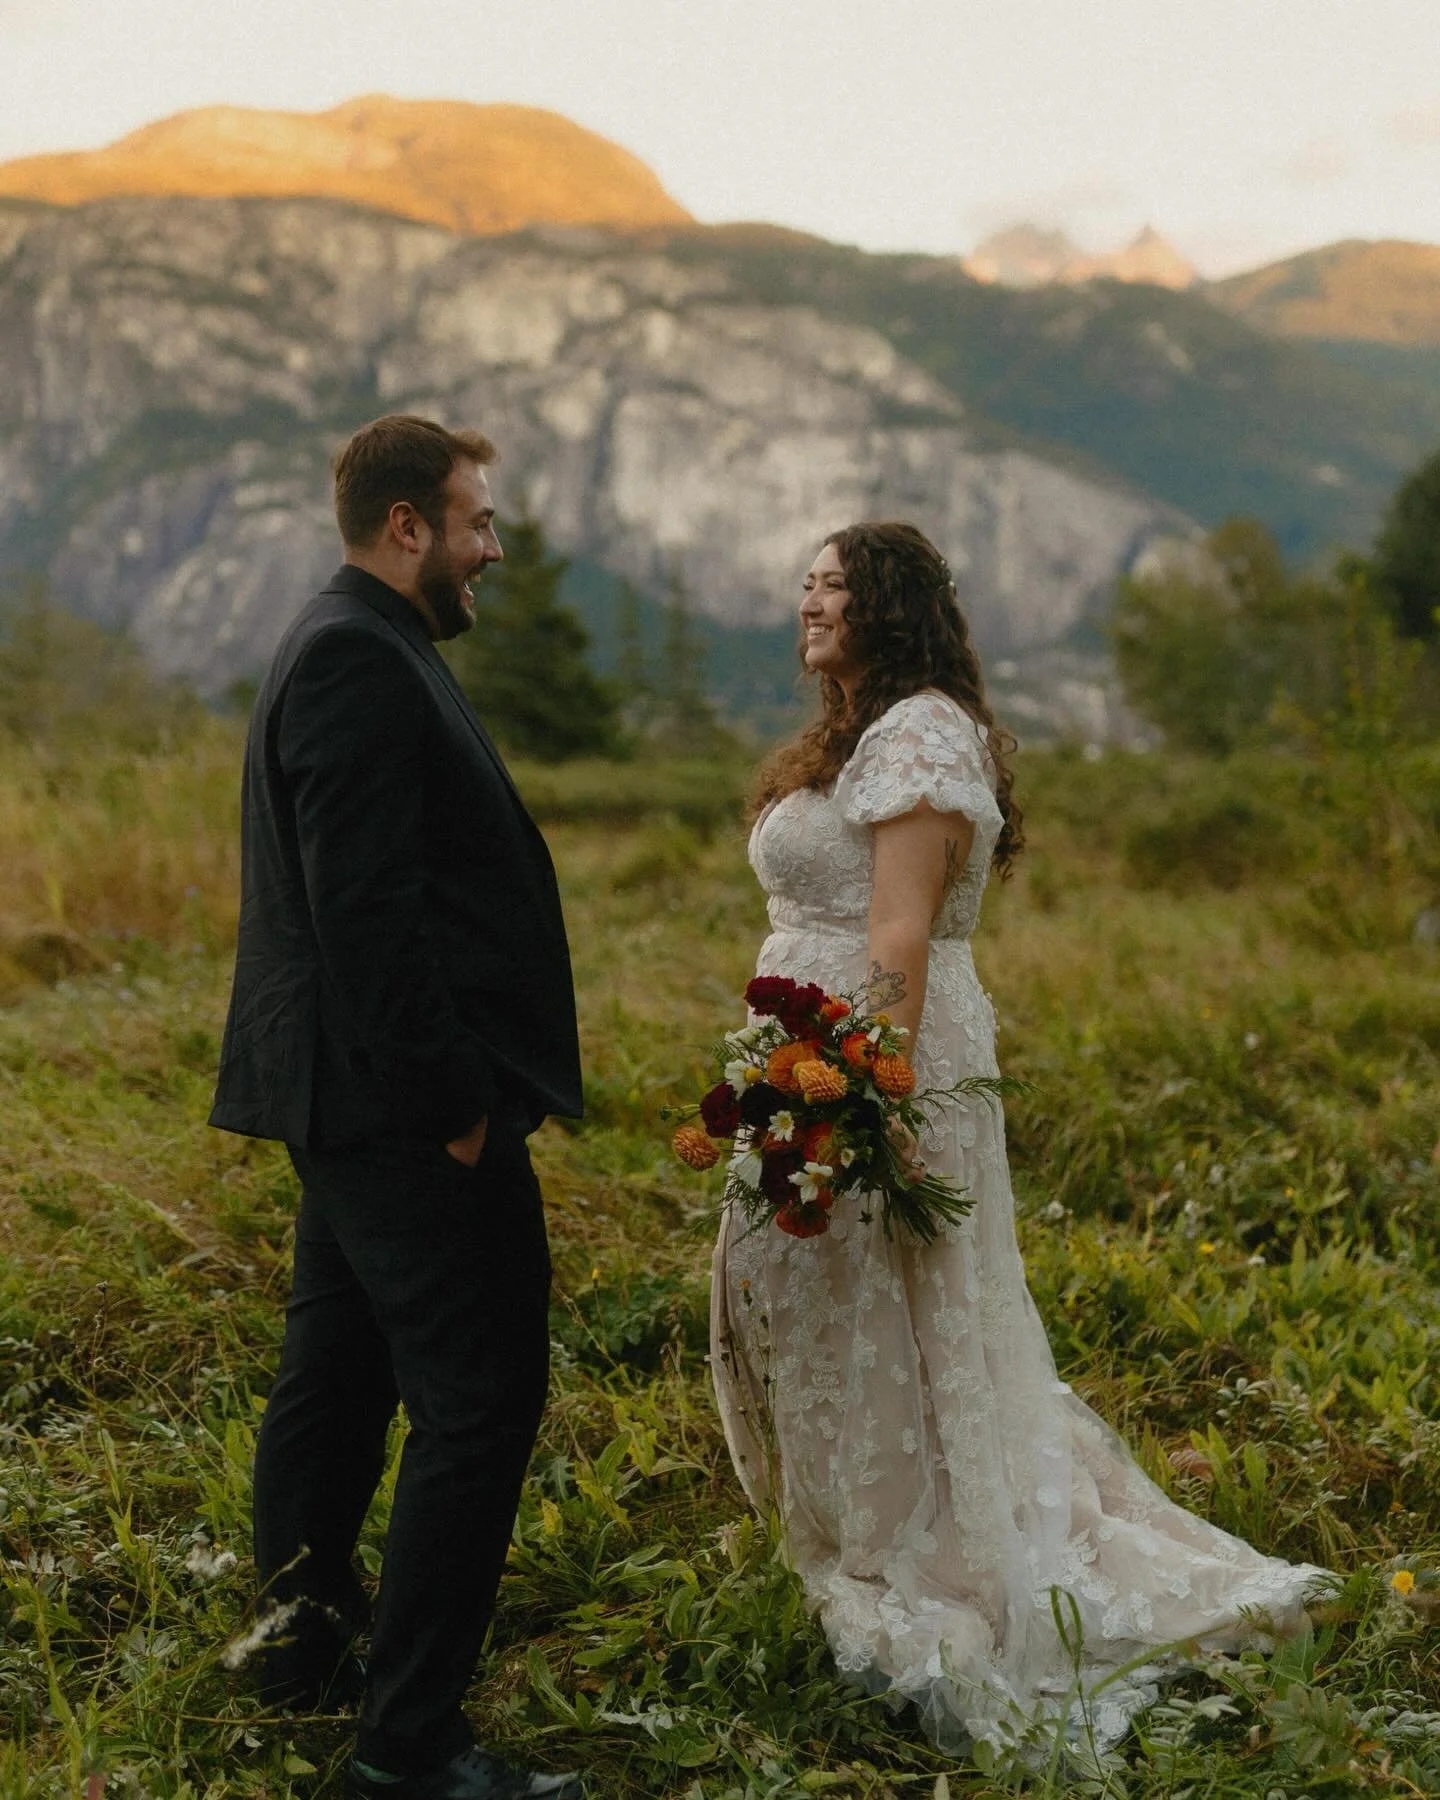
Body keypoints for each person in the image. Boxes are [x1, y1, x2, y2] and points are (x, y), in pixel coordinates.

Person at [709, 521, 1326, 1759]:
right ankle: (853, 1523)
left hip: (873, 1061)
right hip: (811, 1050)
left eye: (831, 585)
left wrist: (856, 1099)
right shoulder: (859, 734)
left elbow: (896, 941)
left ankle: (916, 1546)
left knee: (882, 1294)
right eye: (805, 584)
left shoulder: (923, 732)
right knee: (823, 1294)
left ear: (888, 605)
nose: (806, 602)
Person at [210, 415, 585, 1800]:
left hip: (353, 1100)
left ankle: (302, 1638)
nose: (495, 547)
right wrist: (454, 1103)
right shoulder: (357, 659)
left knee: (340, 1364)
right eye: (478, 521)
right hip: (400, 1107)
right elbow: (364, 912)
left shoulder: (358, 644)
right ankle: (409, 1744)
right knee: (482, 1401)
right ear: (408, 526)